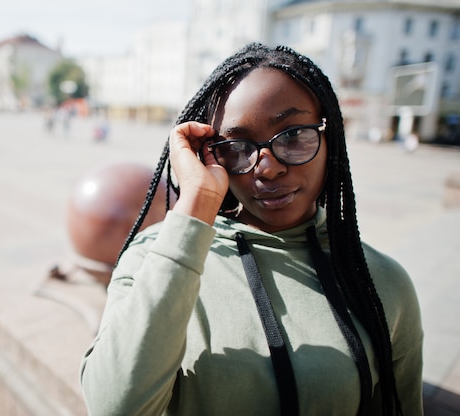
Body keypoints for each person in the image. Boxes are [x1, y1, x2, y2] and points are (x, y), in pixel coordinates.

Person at [80, 43, 423, 415]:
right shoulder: (154, 257)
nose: (268, 168)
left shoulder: (380, 281)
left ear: (330, 136)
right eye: (238, 146)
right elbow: (113, 407)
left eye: (293, 136)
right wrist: (195, 208)